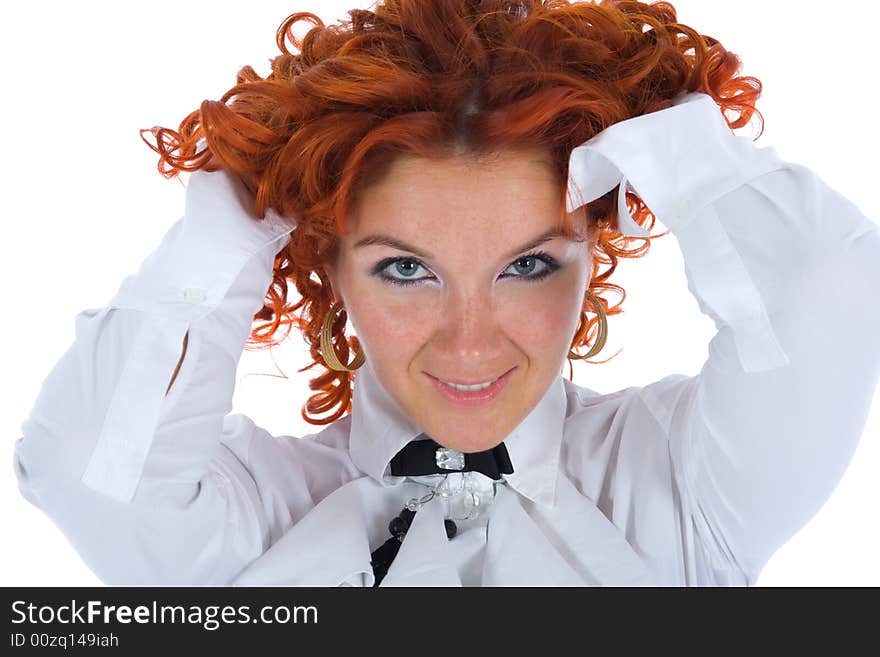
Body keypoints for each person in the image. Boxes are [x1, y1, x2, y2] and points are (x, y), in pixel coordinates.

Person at [12, 0, 880, 586]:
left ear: (592, 256)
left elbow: (831, 289)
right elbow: (88, 461)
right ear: (329, 265)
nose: (470, 342)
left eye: (528, 266)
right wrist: (254, 198)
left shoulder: (683, 490)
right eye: (405, 269)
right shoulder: (252, 520)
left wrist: (672, 142)